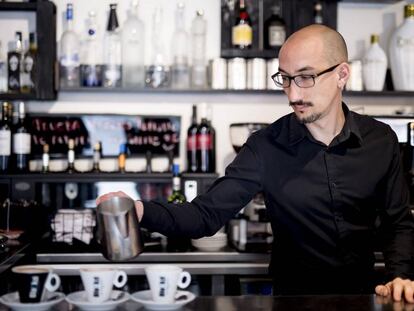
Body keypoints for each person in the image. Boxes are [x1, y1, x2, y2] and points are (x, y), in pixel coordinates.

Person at [97, 24, 414, 301]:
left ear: (342, 74)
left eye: (305, 77)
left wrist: (400, 276)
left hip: (365, 299)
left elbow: (397, 223)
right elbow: (205, 215)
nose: (292, 94)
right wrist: (139, 210)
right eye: (285, 79)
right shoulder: (266, 147)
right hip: (293, 302)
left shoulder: (381, 140)